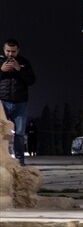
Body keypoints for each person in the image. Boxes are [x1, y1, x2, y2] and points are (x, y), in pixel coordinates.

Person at [1, 38, 37, 166]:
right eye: (8, 51)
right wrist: (1, 70)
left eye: (13, 51)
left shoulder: (24, 63)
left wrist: (19, 69)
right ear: (4, 50)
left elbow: (31, 81)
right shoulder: (0, 61)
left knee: (20, 133)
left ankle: (20, 161)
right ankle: (2, 160)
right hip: (3, 103)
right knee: (1, 133)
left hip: (20, 103)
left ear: (18, 50)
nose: (10, 54)